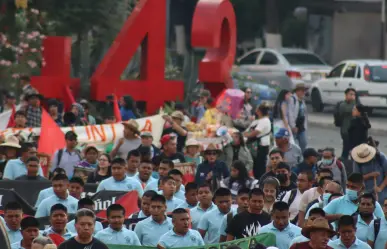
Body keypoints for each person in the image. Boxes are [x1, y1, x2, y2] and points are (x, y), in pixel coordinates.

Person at [244, 103, 272, 179]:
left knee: (259, 168)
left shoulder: (265, 120)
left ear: (259, 111)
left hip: (260, 148)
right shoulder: (257, 121)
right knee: (254, 166)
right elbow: (247, 131)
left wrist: (246, 135)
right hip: (253, 147)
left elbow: (254, 133)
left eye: (257, 109)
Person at [336, 88, 357, 160]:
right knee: (346, 148)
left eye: (354, 94)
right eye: (351, 94)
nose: (353, 96)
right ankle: (343, 162)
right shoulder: (343, 105)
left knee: (352, 149)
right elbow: (350, 109)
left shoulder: (354, 104)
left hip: (353, 131)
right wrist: (354, 102)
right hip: (345, 131)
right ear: (346, 95)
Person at [288, 83, 308, 152]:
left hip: (301, 125)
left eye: (304, 91)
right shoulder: (292, 99)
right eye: (302, 91)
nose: (303, 92)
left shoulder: (302, 100)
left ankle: (302, 158)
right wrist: (293, 126)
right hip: (294, 125)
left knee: (303, 143)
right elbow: (290, 114)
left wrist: (305, 126)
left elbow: (305, 114)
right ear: (297, 91)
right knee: (292, 144)